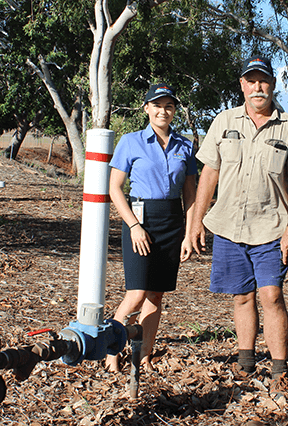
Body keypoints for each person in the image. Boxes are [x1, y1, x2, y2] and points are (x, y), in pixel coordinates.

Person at [189, 55, 288, 400]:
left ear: (272, 85)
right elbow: (209, 173)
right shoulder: (224, 121)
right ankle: (245, 362)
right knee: (242, 296)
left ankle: (280, 370)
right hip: (229, 226)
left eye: (264, 80)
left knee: (271, 295)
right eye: (252, 80)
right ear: (243, 85)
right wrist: (197, 221)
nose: (258, 86)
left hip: (272, 228)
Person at [105, 83, 197, 373]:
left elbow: (190, 193)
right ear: (147, 108)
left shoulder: (185, 145)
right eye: (157, 105)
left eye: (169, 106)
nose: (163, 111)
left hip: (172, 220)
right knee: (136, 292)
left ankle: (143, 354)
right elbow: (114, 188)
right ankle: (111, 351)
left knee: (156, 294)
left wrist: (190, 231)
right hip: (140, 219)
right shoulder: (131, 142)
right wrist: (133, 225)